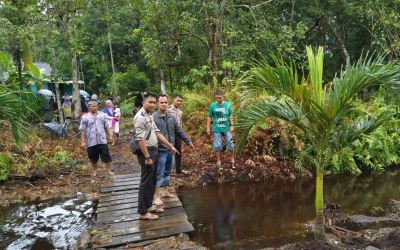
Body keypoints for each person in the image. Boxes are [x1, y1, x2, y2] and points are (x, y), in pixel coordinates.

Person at [133, 93, 178, 220]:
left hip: (153, 151)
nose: (152, 104)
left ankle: (147, 206)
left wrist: (170, 146)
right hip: (146, 152)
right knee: (146, 182)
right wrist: (147, 157)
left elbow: (157, 133)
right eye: (150, 102)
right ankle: (143, 212)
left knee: (152, 181)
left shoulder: (149, 116)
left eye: (154, 102)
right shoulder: (140, 117)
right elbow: (140, 138)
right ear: (143, 102)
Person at [153, 94, 195, 206]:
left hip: (170, 149)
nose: (164, 104)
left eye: (165, 102)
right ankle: (157, 196)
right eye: (161, 102)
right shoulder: (153, 117)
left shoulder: (171, 117)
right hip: (160, 150)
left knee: (168, 171)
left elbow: (179, 130)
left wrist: (188, 141)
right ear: (157, 103)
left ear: (168, 103)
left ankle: (166, 191)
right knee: (159, 173)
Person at [79, 100, 114, 176]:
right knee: (93, 158)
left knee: (106, 156)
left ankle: (109, 170)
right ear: (89, 107)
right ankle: (95, 171)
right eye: (93, 106)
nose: (95, 108)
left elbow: (106, 127)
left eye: (96, 106)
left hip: (102, 140)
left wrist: (110, 135)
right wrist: (83, 141)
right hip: (91, 141)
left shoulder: (102, 115)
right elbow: (83, 130)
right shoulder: (85, 117)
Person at [206, 89, 236, 170]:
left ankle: (232, 160)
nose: (218, 100)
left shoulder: (227, 105)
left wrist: (232, 125)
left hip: (226, 128)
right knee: (217, 145)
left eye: (220, 98)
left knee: (231, 144)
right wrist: (208, 128)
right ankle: (218, 162)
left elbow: (231, 116)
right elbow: (209, 116)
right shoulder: (212, 106)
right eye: (217, 98)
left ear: (223, 97)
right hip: (217, 128)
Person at [168, 94, 185, 174]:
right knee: (169, 152)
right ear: (173, 100)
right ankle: (168, 171)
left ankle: (178, 170)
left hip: (178, 134)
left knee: (178, 152)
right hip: (169, 134)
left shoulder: (180, 111)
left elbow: (180, 123)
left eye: (180, 101)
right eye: (177, 100)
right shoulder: (167, 109)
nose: (179, 102)